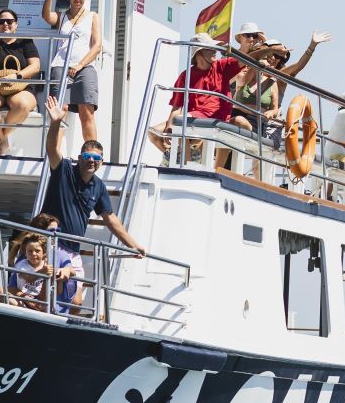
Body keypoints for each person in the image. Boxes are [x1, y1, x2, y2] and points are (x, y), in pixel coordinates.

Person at [43, 96, 145, 259]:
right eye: (87, 156)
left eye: (96, 158)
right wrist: (55, 123)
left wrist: (133, 246)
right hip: (48, 245)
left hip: (72, 252)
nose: (91, 160)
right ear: (79, 158)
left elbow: (110, 218)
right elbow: (52, 149)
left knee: (75, 278)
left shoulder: (98, 186)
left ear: (101, 162)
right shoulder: (64, 170)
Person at [147, 33, 269, 166]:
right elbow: (176, 107)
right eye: (211, 48)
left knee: (180, 121)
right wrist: (169, 126)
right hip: (194, 118)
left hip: (214, 117)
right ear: (199, 53)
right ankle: (177, 156)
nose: (215, 51)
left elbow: (248, 58)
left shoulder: (222, 66)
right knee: (154, 132)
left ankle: (186, 166)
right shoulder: (185, 76)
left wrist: (271, 50)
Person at [42, 0, 103, 143]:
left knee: (86, 112)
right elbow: (46, 16)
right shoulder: (61, 16)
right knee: (59, 111)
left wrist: (80, 65)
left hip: (85, 67)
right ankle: (55, 153)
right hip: (60, 65)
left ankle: (91, 152)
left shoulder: (92, 16)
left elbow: (97, 46)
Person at [0, 8, 42, 156]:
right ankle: (3, 142)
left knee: (23, 104)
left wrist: (17, 76)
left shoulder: (25, 42)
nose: (5, 24)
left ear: (16, 24)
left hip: (20, 86)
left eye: (9, 21)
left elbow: (35, 66)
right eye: (1, 21)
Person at [7, 233, 77, 313]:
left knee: (51, 277)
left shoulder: (51, 262)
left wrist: (59, 273)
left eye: (37, 251)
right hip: (23, 297)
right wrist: (42, 271)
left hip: (40, 300)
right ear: (25, 253)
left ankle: (36, 308)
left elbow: (59, 291)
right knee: (0, 290)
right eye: (30, 251)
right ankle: (26, 309)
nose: (33, 254)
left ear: (44, 252)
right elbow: (28, 278)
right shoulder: (21, 264)